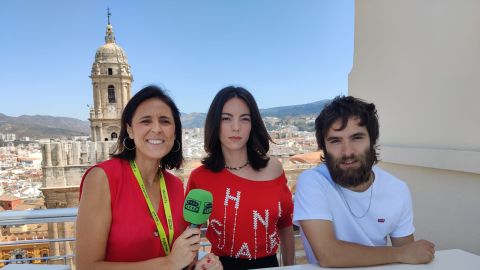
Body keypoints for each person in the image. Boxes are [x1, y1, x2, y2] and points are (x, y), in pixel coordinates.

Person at [76, 85, 222, 270]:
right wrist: (168, 264)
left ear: (175, 132)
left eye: (165, 121)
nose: (156, 129)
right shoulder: (102, 178)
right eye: (146, 121)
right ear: (129, 130)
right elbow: (86, 267)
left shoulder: (175, 185)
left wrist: (195, 266)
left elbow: (177, 257)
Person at [293, 96, 435, 267]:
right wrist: (400, 253)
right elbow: (328, 254)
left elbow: (409, 255)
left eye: (357, 137)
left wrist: (406, 253)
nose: (347, 152)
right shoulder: (313, 182)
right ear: (324, 147)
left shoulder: (397, 189)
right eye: (335, 141)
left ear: (372, 141)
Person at [187, 86, 295, 269]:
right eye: (226, 118)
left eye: (244, 119)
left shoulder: (275, 168)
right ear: (215, 123)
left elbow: (285, 225)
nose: (236, 127)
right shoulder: (200, 177)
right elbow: (191, 234)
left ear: (253, 124)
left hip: (269, 265)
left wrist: (289, 267)